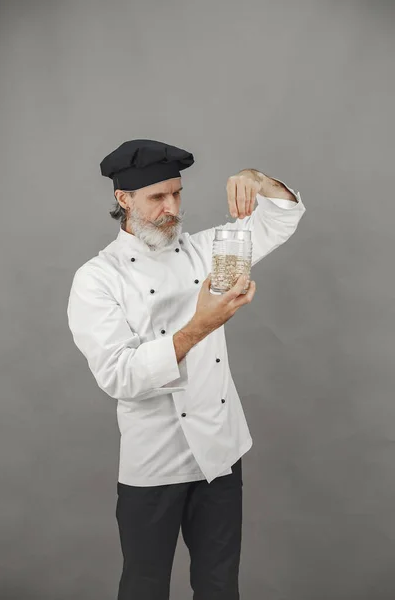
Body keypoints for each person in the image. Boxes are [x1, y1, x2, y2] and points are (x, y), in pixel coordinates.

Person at [67, 138, 306, 599]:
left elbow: (282, 218)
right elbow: (119, 375)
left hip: (220, 451)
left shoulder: (205, 251)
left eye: (176, 193)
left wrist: (258, 180)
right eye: (157, 197)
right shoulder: (98, 278)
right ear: (124, 199)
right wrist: (199, 326)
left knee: (219, 585)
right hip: (154, 462)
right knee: (145, 586)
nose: (171, 207)